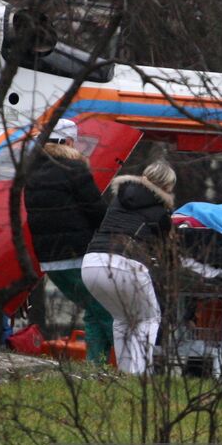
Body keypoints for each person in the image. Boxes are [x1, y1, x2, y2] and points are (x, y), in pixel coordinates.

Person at [23, 118, 114, 362]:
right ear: (69, 141)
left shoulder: (32, 172)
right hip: (77, 256)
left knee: (94, 311)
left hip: (50, 261)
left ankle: (97, 365)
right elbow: (96, 210)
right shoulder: (74, 168)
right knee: (107, 311)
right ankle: (126, 366)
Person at [81, 161, 177, 374]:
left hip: (91, 262)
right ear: (167, 186)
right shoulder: (160, 212)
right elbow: (165, 252)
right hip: (124, 262)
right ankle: (139, 375)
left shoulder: (119, 199)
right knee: (150, 318)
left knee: (123, 319)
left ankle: (125, 375)